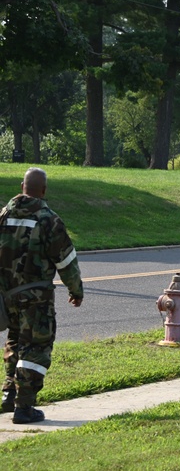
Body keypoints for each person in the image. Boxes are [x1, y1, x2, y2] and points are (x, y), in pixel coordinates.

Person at [1, 168, 83, 424]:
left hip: (7, 297)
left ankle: (8, 394)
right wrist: (76, 290)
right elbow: (66, 261)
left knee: (15, 341)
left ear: (21, 186)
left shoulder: (3, 215)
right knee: (36, 347)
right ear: (44, 191)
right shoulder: (49, 220)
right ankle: (24, 408)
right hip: (36, 298)